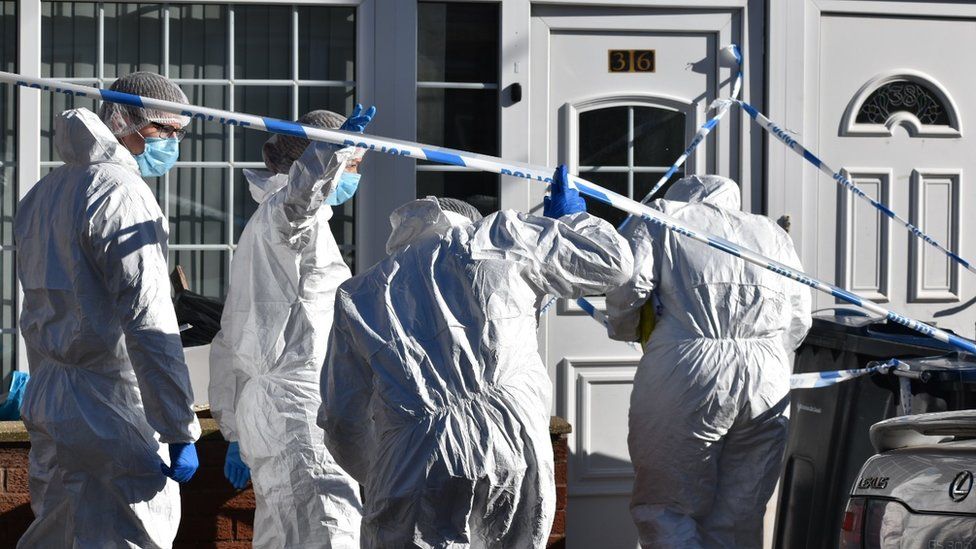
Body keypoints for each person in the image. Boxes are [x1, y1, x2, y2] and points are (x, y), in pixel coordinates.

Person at [318, 165, 634, 548]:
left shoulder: (360, 292)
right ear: (466, 220)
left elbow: (342, 419)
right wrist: (570, 222)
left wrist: (383, 470)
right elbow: (613, 263)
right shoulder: (496, 238)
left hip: (413, 451)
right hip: (510, 435)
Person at [14, 72, 200, 547]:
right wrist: (177, 424)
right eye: (165, 130)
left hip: (50, 396)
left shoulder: (44, 193)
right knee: (129, 533)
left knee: (59, 529)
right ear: (126, 121)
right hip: (109, 405)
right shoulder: (120, 191)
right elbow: (148, 318)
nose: (175, 142)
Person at [605, 175, 812, 548]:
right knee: (740, 511)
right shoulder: (770, 232)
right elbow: (799, 317)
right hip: (767, 373)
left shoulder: (664, 215)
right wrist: (767, 352)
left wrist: (627, 328)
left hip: (689, 366)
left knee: (666, 506)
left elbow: (629, 285)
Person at [209, 105, 375, 548]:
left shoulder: (265, 225)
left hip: (274, 409)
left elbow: (233, 334)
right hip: (303, 414)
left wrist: (235, 426)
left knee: (281, 535)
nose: (353, 175)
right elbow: (303, 200)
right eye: (352, 164)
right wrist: (329, 154)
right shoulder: (288, 218)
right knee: (329, 531)